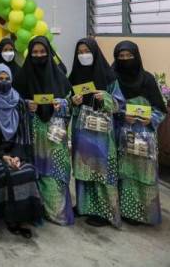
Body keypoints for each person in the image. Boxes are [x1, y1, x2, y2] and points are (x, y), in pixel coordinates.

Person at [14, 36, 74, 226]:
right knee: (34, 171)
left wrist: (62, 105)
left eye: (42, 52)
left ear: (49, 53)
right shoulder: (22, 78)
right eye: (34, 52)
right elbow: (13, 103)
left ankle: (57, 212)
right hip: (32, 135)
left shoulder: (60, 77)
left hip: (55, 137)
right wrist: (25, 104)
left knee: (56, 172)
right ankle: (36, 209)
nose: (38, 55)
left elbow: (72, 104)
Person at [0, 64, 43, 238]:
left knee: (27, 170)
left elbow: (24, 133)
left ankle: (26, 216)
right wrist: (3, 156)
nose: (4, 81)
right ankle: (11, 219)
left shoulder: (19, 102)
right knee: (5, 173)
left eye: (7, 78)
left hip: (17, 151)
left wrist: (16, 156)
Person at [112, 41, 166, 225]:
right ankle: (125, 211)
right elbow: (109, 107)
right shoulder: (113, 78)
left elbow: (160, 108)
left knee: (143, 173)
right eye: (121, 56)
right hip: (120, 134)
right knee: (123, 173)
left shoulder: (147, 79)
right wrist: (120, 115)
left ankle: (143, 212)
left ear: (137, 56)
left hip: (144, 134)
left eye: (129, 56)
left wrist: (151, 119)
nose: (125, 60)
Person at [69, 38, 121, 228]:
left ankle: (105, 211)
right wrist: (73, 101)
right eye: (80, 52)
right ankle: (84, 207)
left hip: (101, 134)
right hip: (81, 131)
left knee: (101, 171)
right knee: (83, 170)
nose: (83, 55)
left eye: (86, 51)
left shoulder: (109, 77)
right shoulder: (74, 75)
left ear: (95, 52)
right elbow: (68, 102)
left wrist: (105, 97)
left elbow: (118, 105)